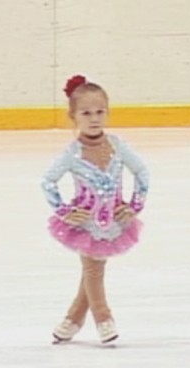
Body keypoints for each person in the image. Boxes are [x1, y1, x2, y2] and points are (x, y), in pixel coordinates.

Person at [41, 74, 150, 344]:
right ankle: (103, 318)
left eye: (100, 111)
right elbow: (48, 182)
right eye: (86, 113)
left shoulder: (118, 146)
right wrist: (64, 211)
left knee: (93, 268)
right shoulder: (71, 153)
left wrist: (135, 205)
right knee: (93, 269)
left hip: (115, 221)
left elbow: (142, 172)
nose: (94, 118)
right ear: (73, 116)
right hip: (85, 225)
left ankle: (71, 321)